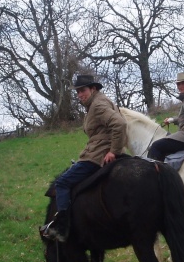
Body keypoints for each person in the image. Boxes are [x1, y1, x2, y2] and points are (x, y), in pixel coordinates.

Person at [41, 74, 127, 242]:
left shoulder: (98, 105)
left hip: (97, 156)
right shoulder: (98, 102)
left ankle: (62, 226)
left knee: (62, 183)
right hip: (99, 150)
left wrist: (114, 151)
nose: (80, 94)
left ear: (93, 89)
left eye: (83, 90)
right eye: (78, 92)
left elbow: (120, 124)